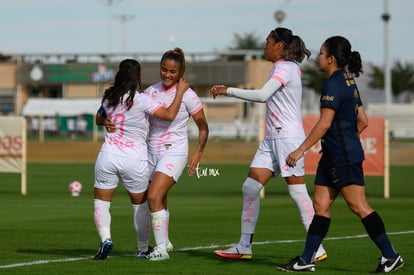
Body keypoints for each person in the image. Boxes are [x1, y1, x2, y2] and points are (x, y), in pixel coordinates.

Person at [276, 36, 404, 273]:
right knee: (321, 205)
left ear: (331, 58)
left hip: (342, 157)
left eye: (322, 53)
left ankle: (391, 255)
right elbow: (362, 121)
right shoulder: (348, 80)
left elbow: (324, 124)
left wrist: (300, 150)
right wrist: (343, 139)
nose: (319, 57)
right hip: (335, 154)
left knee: (359, 206)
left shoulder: (334, 83)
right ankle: (306, 260)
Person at [210, 27, 327, 262]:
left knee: (297, 191)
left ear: (279, 46)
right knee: (250, 188)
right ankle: (244, 246)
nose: (264, 45)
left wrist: (228, 91)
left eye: (268, 42)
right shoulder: (281, 67)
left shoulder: (286, 67)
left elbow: (263, 95)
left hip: (287, 139)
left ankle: (318, 248)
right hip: (272, 139)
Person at [93, 59, 189, 260]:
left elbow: (98, 118)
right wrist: (180, 92)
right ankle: (143, 248)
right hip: (135, 160)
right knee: (140, 206)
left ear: (119, 74)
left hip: (107, 156)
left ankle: (105, 239)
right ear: (139, 77)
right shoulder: (142, 99)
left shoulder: (109, 96)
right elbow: (170, 115)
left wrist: (105, 122)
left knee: (101, 202)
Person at [143, 47, 209, 261]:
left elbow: (203, 126)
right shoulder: (150, 91)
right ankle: (166, 241)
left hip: (175, 151)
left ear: (180, 72)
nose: (167, 75)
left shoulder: (188, 95)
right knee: (155, 198)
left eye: (172, 71)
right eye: (164, 70)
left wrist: (198, 152)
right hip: (151, 150)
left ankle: (161, 250)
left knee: (154, 196)